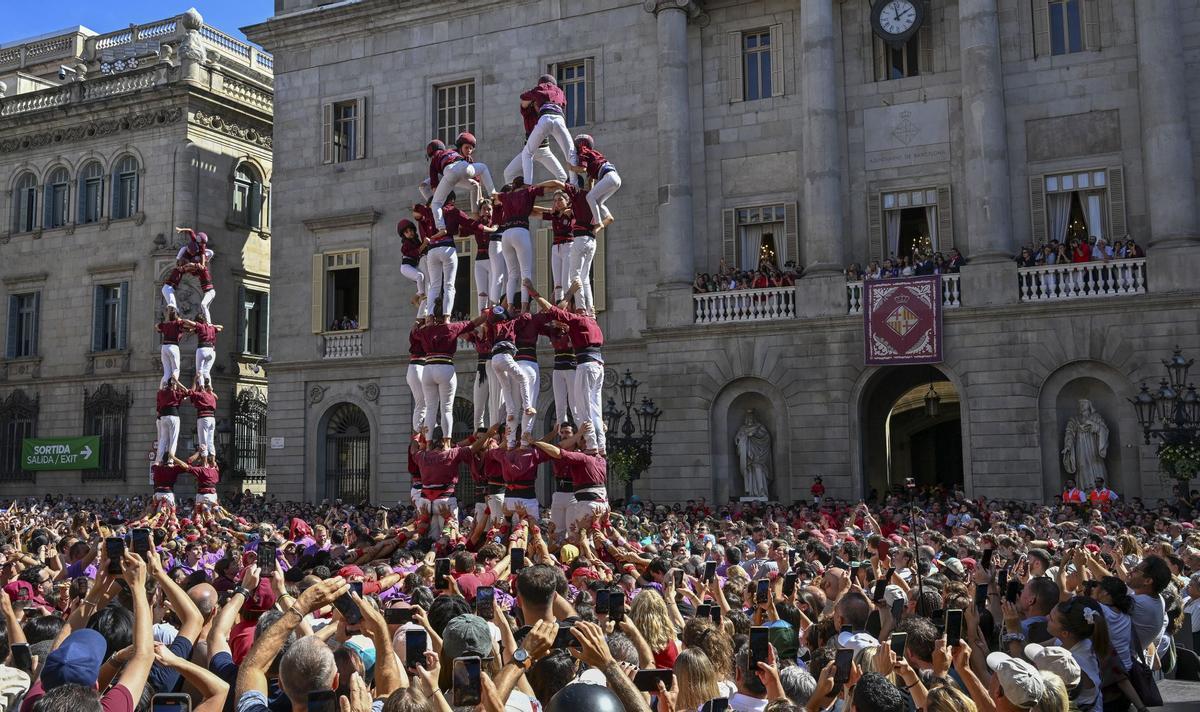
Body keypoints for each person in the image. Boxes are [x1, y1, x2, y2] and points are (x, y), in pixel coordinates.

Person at [422, 133, 496, 233]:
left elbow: (433, 176)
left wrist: (436, 192)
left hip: (449, 174)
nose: (469, 151)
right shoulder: (454, 153)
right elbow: (475, 177)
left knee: (436, 203)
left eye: (470, 148)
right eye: (467, 148)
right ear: (460, 147)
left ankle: (441, 228)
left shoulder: (437, 157)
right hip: (460, 168)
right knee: (482, 169)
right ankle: (492, 194)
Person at [517, 74, 576, 184]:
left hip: (545, 118)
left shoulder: (540, 88)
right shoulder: (560, 91)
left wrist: (536, 96)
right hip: (559, 119)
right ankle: (574, 184)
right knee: (570, 153)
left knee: (527, 153)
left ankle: (527, 184)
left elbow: (523, 97)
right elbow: (564, 103)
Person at [568, 134, 620, 233]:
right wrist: (591, 196)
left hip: (608, 177)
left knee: (590, 197)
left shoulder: (584, 152)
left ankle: (598, 222)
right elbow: (591, 180)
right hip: (615, 179)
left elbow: (582, 169)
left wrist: (571, 168)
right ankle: (608, 216)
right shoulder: (594, 155)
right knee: (597, 201)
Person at [156, 309, 195, 389]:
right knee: (176, 369)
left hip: (164, 347)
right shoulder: (178, 323)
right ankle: (174, 386)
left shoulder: (166, 324)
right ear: (177, 316)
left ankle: (163, 387)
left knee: (166, 371)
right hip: (173, 346)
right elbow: (192, 326)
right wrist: (181, 320)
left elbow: (157, 326)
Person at [188, 379, 218, 466]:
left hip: (203, 418)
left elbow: (190, 393)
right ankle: (212, 460)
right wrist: (210, 390)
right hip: (212, 418)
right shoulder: (211, 395)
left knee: (203, 441)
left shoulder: (200, 394)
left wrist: (194, 381)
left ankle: (204, 463)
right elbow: (217, 397)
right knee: (210, 441)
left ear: (201, 387)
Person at [192, 313, 223, 389]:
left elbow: (190, 326)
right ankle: (209, 386)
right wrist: (211, 325)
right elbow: (221, 327)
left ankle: (202, 386)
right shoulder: (211, 328)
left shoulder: (199, 326)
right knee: (207, 371)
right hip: (212, 351)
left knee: (199, 371)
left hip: (202, 349)